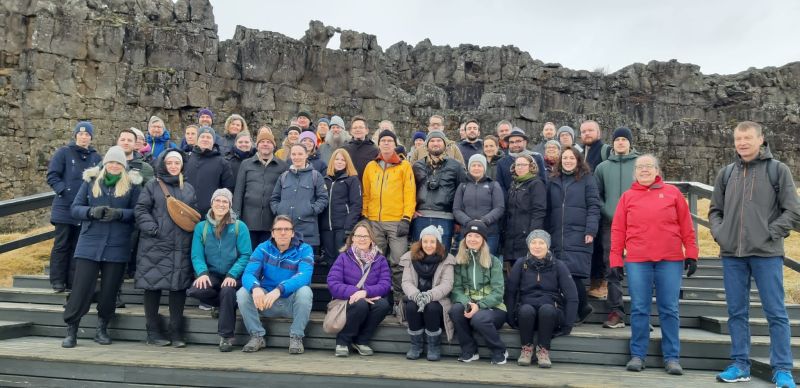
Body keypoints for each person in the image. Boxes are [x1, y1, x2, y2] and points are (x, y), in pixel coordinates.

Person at [709, 121, 799, 387]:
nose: (742, 143)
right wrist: (720, 233)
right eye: (738, 138)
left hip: (767, 254)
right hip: (732, 255)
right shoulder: (726, 173)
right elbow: (715, 210)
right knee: (737, 312)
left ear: (761, 140)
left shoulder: (778, 170)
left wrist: (769, 233)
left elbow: (792, 211)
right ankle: (740, 365)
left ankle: (782, 369)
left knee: (776, 313)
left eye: (748, 137)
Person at [610, 154, 698, 375]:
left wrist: (692, 253)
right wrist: (615, 259)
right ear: (635, 172)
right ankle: (638, 355)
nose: (644, 170)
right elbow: (618, 230)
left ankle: (672, 358)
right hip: (638, 260)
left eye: (649, 166)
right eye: (640, 167)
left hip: (670, 259)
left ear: (657, 170)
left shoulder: (673, 193)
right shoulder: (627, 197)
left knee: (669, 308)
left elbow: (687, 225)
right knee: (639, 308)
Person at [60, 146, 142, 348]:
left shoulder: (132, 185)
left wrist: (120, 214)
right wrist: (91, 211)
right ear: (105, 163)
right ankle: (72, 328)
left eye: (118, 163)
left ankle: (102, 328)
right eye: (111, 162)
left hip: (117, 245)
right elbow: (75, 208)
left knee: (109, 291)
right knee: (81, 289)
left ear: (123, 165)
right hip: (90, 243)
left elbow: (138, 212)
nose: (114, 166)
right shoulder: (90, 181)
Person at [135, 150, 197, 347]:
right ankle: (152, 331)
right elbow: (141, 209)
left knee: (178, 288)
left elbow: (193, 214)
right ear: (163, 164)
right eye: (169, 162)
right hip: (156, 244)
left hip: (180, 245)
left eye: (176, 163)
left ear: (181, 165)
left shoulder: (188, 188)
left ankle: (176, 331)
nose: (173, 166)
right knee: (152, 288)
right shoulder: (152, 186)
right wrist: (153, 228)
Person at [236, 215, 314, 354]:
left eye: (286, 229)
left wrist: (279, 289)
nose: (282, 233)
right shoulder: (263, 248)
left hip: (291, 303)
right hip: (266, 302)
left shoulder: (305, 249)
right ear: (272, 233)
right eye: (278, 229)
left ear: (292, 233)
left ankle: (296, 337)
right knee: (242, 292)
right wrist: (255, 288)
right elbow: (248, 274)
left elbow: (304, 276)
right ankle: (257, 336)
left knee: (305, 291)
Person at [188, 188, 252, 352]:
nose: (221, 204)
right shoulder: (201, 227)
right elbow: (196, 255)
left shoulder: (239, 226)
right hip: (213, 273)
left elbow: (246, 254)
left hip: (234, 274)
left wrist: (232, 274)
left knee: (228, 291)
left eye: (225, 201)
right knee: (196, 291)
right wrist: (202, 273)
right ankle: (224, 306)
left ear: (229, 205)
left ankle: (225, 337)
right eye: (218, 200)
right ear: (212, 203)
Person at [507, 230, 578, 368]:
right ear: (528, 245)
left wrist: (568, 324)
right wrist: (510, 317)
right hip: (526, 313)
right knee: (526, 309)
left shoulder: (558, 265)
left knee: (546, 309)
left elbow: (572, 296)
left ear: (548, 245)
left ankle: (543, 350)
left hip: (551, 313)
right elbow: (510, 292)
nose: (537, 246)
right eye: (533, 242)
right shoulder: (521, 264)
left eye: (541, 243)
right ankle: (526, 348)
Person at [546, 146, 601, 325]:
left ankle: (581, 308)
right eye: (565, 158)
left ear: (578, 161)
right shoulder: (553, 180)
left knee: (573, 274)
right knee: (562, 274)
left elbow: (594, 206)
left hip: (579, 234)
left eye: (572, 158)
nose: (568, 161)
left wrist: (591, 230)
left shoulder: (587, 180)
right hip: (557, 234)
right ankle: (579, 309)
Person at [362, 129, 416, 307]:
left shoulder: (404, 166)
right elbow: (366, 194)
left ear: (394, 144)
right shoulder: (371, 166)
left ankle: (399, 300)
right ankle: (377, 297)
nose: (386, 143)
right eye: (383, 140)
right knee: (374, 260)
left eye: (389, 141)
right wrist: (366, 216)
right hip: (374, 221)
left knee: (398, 261)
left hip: (396, 221)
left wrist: (406, 218)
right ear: (379, 143)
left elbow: (410, 194)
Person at [47, 121, 102, 292]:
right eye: (81, 134)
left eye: (87, 135)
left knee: (78, 246)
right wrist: (63, 191)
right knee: (62, 244)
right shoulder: (63, 153)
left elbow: (100, 180)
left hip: (83, 209)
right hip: (64, 207)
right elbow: (52, 176)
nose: (84, 137)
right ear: (76, 135)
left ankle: (72, 281)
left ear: (91, 137)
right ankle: (57, 280)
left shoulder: (96, 158)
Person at [592, 127, 639, 326]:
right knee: (612, 267)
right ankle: (615, 312)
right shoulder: (602, 167)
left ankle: (640, 313)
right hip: (610, 224)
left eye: (624, 139)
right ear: (613, 143)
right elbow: (597, 195)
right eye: (617, 139)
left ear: (630, 142)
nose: (620, 142)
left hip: (638, 224)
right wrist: (608, 211)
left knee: (640, 268)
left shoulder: (640, 165)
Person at [327, 221, 392, 357]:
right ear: (352, 239)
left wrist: (366, 292)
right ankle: (343, 341)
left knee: (383, 305)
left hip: (370, 298)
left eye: (365, 236)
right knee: (360, 304)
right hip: (347, 302)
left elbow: (385, 284)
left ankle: (361, 340)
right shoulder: (344, 257)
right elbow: (333, 283)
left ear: (371, 239)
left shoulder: (379, 260)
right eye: (358, 236)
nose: (362, 239)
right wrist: (355, 293)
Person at [449, 220, 507, 364]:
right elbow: (456, 289)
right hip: (470, 303)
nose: (473, 239)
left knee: (479, 318)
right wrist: (466, 302)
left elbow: (498, 292)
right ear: (465, 239)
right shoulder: (460, 261)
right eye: (469, 236)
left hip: (493, 308)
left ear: (483, 240)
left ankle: (499, 350)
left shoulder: (493, 261)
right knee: (455, 310)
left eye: (477, 236)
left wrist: (479, 305)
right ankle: (469, 350)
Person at [398, 225, 456, 361]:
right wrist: (417, 295)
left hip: (438, 299)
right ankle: (415, 345)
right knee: (411, 305)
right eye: (425, 241)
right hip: (416, 296)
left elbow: (447, 284)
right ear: (420, 242)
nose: (428, 245)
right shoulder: (410, 257)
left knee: (432, 307)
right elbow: (406, 282)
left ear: (438, 243)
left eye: (432, 242)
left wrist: (429, 295)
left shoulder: (447, 259)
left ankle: (434, 346)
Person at [411, 131, 468, 253]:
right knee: (419, 254)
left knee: (442, 255)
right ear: (426, 145)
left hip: (445, 217)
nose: (435, 143)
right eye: (432, 141)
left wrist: (458, 220)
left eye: (438, 141)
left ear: (445, 144)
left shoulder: (456, 166)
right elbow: (409, 190)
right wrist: (412, 211)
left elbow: (462, 193)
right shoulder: (416, 166)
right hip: (421, 217)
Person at [233, 131, 288, 249]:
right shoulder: (246, 164)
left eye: (268, 142)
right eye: (262, 142)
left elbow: (285, 194)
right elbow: (238, 192)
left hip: (272, 221)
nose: (265, 144)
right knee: (249, 256)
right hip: (248, 221)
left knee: (268, 256)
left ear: (273, 146)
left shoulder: (282, 166)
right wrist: (236, 217)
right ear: (257, 146)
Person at [270, 144, 329, 251]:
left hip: (307, 232)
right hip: (284, 232)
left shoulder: (315, 176)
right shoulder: (284, 176)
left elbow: (323, 198)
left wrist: (311, 209)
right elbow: (274, 198)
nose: (296, 157)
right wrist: (279, 209)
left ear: (306, 155)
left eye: (300, 154)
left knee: (305, 265)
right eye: (294, 154)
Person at [453, 154, 505, 255]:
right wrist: (468, 222)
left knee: (488, 262)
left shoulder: (493, 185)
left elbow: (499, 207)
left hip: (489, 232)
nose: (476, 168)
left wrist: (483, 221)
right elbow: (456, 209)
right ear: (469, 168)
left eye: (479, 165)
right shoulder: (463, 185)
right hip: (467, 232)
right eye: (473, 165)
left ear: (484, 168)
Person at [503, 154, 547, 271]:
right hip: (512, 235)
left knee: (526, 268)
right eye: (517, 165)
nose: (520, 167)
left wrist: (533, 234)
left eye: (523, 165)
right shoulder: (513, 184)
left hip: (526, 233)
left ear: (531, 167)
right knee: (513, 269)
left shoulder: (536, 184)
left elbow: (539, 210)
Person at [319, 149, 362, 267]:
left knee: (342, 259)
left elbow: (356, 204)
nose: (339, 162)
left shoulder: (352, 179)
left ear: (347, 162)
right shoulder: (325, 179)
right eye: (337, 159)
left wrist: (348, 226)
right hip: (326, 228)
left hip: (342, 227)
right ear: (332, 161)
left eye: (343, 160)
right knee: (329, 260)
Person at [184, 126, 235, 217]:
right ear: (197, 139)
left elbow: (228, 189)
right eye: (202, 137)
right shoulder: (186, 159)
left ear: (213, 141)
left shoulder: (222, 162)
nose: (205, 139)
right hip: (186, 212)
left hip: (211, 214)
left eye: (209, 137)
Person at [496, 128, 547, 193]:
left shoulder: (536, 158)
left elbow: (543, 182)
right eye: (511, 142)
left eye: (518, 141)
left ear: (525, 142)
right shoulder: (502, 162)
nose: (515, 145)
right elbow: (500, 186)